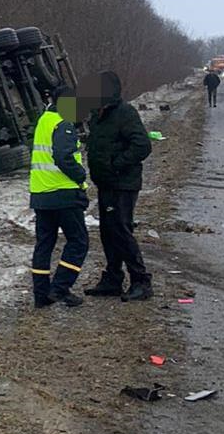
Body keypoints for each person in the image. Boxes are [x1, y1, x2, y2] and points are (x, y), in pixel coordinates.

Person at [83, 71, 153, 302]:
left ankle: (141, 281)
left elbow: (142, 145)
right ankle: (112, 279)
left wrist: (117, 164)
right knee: (107, 231)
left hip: (123, 183)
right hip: (105, 183)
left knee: (121, 230)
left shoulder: (124, 113)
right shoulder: (97, 115)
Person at [29, 86, 89, 308]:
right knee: (79, 241)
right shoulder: (63, 124)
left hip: (41, 194)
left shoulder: (44, 119)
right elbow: (63, 156)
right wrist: (81, 175)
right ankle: (60, 288)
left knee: (44, 243)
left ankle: (41, 294)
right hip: (63, 194)